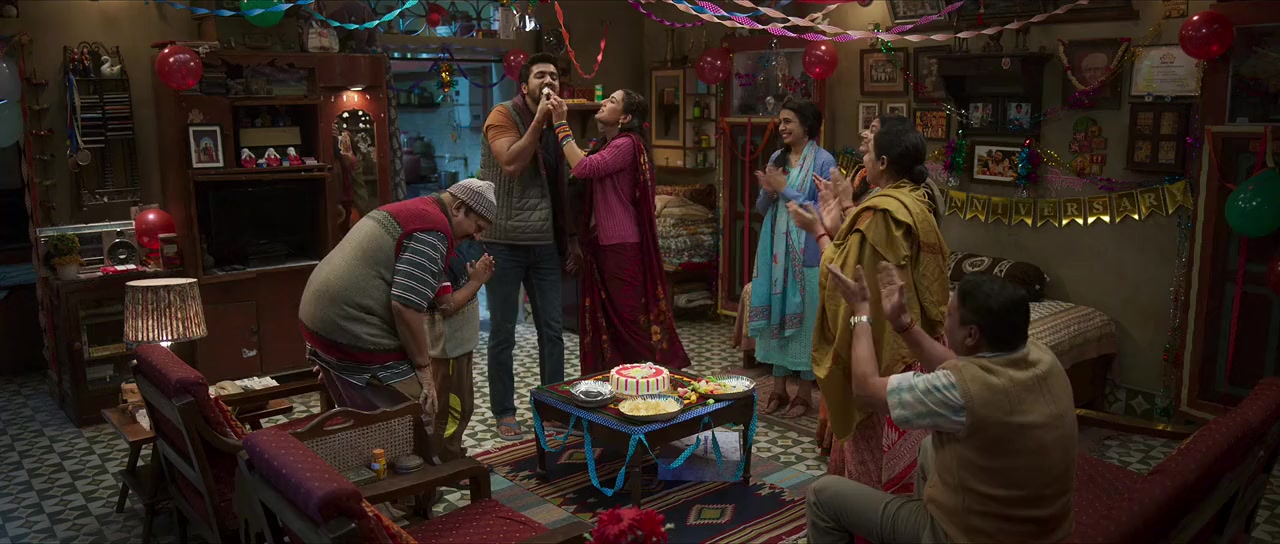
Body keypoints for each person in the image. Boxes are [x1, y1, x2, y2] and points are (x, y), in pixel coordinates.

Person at [806, 267, 1077, 543]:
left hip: (976, 537)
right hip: (1042, 530)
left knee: (823, 495)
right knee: (928, 448)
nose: (944, 322)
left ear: (971, 335)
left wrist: (861, 312)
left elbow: (866, 390)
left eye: (949, 315)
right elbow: (957, 366)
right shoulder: (1040, 356)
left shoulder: (956, 392)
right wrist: (903, 324)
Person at [788, 118, 950, 493]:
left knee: (872, 469)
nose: (864, 155)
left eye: (869, 150)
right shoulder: (917, 202)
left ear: (883, 162)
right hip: (915, 346)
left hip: (881, 348)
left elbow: (846, 279)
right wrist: (842, 213)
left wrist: (818, 230)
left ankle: (868, 512)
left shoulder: (881, 214)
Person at [299, 178, 496, 429]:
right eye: (477, 226)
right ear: (457, 208)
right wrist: (424, 370)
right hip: (348, 328)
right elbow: (406, 307)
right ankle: (402, 453)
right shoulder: (433, 231)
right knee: (419, 415)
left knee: (368, 418)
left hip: (321, 323)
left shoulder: (416, 209)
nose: (477, 236)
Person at [549, 89, 690, 373]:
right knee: (612, 325)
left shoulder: (626, 144)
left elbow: (583, 167)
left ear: (625, 117)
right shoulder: (608, 144)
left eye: (612, 101)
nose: (603, 102)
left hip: (621, 245)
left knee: (628, 322)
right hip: (604, 243)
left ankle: (651, 377)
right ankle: (618, 381)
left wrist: (561, 124)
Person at [479, 52, 569, 441]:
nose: (548, 82)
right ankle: (504, 411)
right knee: (503, 332)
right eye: (540, 76)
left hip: (544, 242)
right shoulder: (502, 115)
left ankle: (552, 409)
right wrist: (539, 122)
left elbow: (567, 178)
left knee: (553, 331)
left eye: (554, 76)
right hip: (502, 240)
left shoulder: (559, 119)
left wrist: (572, 238)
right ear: (524, 85)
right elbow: (511, 163)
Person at [746, 98, 836, 418]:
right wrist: (769, 191)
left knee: (806, 325)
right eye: (780, 121)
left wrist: (784, 189)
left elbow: (823, 213)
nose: (781, 127)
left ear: (806, 126)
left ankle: (804, 394)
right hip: (774, 255)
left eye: (788, 122)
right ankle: (779, 388)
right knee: (777, 318)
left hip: (808, 255)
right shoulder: (777, 157)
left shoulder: (824, 161)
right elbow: (761, 208)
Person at [416, 241, 494, 462]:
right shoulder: (438, 255)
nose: (478, 234)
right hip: (448, 348)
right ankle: (446, 459)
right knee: (450, 409)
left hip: (461, 345)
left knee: (463, 406)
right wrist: (476, 282)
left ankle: (451, 451)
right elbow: (447, 306)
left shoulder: (460, 247)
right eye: (477, 227)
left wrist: (479, 274)